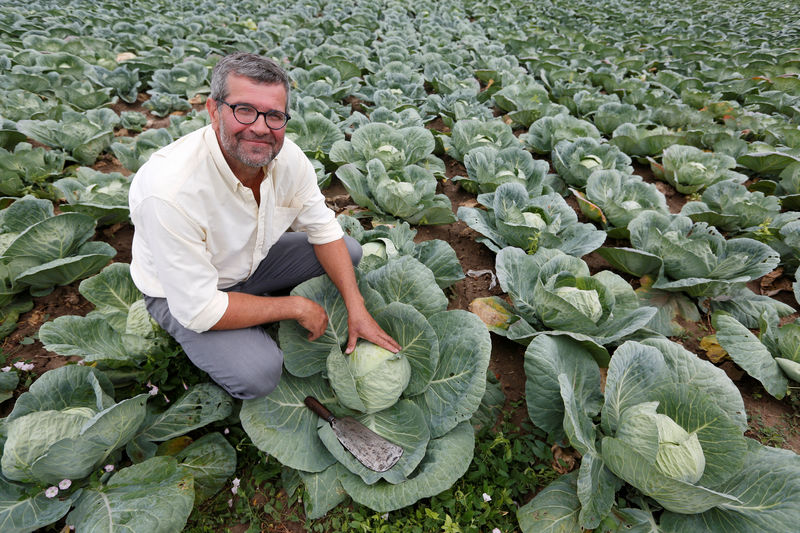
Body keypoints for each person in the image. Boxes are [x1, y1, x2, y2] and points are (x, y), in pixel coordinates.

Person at [129, 52, 401, 399]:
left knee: (347, 251)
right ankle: (240, 317)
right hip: (182, 295)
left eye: (274, 116)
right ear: (213, 111)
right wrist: (294, 307)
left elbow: (324, 231)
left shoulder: (288, 160)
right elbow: (200, 309)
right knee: (258, 374)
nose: (260, 127)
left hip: (248, 263)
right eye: (244, 110)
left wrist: (356, 307)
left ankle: (249, 303)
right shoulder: (170, 191)